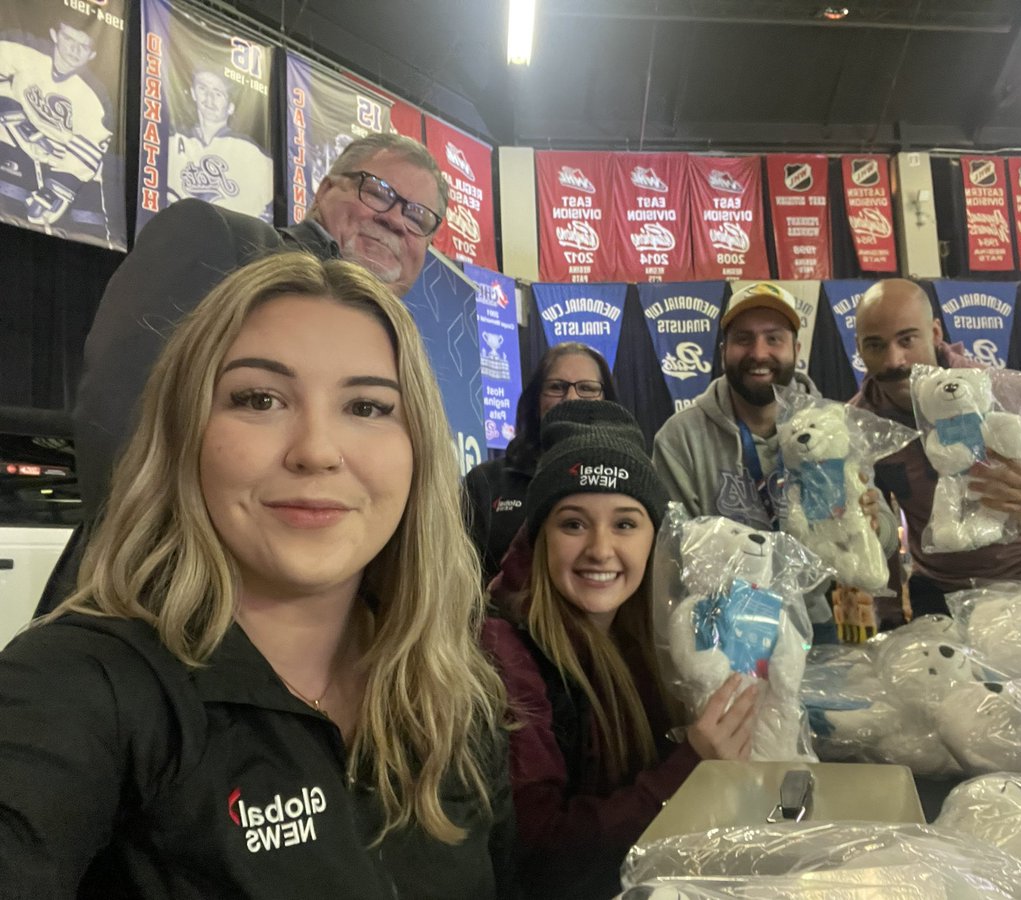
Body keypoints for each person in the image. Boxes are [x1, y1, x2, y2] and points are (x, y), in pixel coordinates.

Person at [0, 253, 514, 897]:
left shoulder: (453, 691)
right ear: (185, 433)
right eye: (259, 399)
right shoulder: (84, 686)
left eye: (367, 406)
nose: (317, 451)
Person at [40, 131, 448, 613]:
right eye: (379, 191)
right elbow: (120, 418)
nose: (396, 219)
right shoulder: (222, 240)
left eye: (418, 216)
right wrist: (183, 595)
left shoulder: (398, 341)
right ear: (323, 191)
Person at [483, 400, 756, 899]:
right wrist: (690, 765)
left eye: (626, 523)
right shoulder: (505, 650)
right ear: (541, 534)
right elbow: (538, 850)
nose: (601, 549)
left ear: (654, 537)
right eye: (573, 523)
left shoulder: (652, 635)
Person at [652, 281, 898, 639]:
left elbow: (886, 536)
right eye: (743, 339)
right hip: (722, 629)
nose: (759, 352)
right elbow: (673, 556)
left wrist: (873, 524)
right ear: (724, 351)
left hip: (815, 627)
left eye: (774, 338)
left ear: (796, 349)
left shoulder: (833, 424)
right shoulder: (681, 438)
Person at [851, 278, 1021, 616]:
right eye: (875, 345)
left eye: (907, 339)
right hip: (943, 595)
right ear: (859, 348)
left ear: (936, 333)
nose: (895, 360)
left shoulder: (1014, 398)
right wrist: (889, 617)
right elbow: (877, 537)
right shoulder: (861, 424)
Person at [464, 342, 618, 584]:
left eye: (587, 388)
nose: (571, 398)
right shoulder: (485, 483)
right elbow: (458, 582)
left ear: (607, 403)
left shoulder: (630, 481)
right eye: (557, 387)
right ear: (535, 401)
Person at [0, 12, 112, 227]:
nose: (74, 50)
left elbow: (90, 146)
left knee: (87, 230)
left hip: (70, 158)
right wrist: (11, 110)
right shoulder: (24, 50)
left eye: (83, 46)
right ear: (54, 35)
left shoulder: (97, 96)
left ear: (92, 55)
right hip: (18, 138)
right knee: (8, 204)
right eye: (69, 38)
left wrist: (59, 188)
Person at [165, 65, 273, 219]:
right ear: (194, 93)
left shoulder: (250, 151)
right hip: (178, 236)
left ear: (230, 107)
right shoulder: (172, 142)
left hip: (229, 240)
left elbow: (273, 207)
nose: (209, 99)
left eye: (218, 93)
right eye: (203, 89)